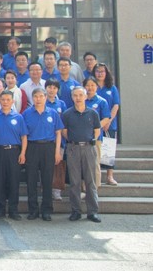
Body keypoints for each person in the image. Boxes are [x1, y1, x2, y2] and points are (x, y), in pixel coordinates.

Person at [22, 87, 64, 221]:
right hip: (32, 147)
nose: (38, 99)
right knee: (31, 179)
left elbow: (58, 133)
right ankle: (33, 210)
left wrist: (57, 151)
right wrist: (23, 152)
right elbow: (23, 135)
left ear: (46, 98)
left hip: (48, 147)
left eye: (41, 96)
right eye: (36, 96)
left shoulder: (52, 113)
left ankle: (46, 209)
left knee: (47, 179)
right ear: (32, 98)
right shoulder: (26, 113)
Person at [62, 86, 102, 223]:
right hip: (73, 148)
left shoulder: (93, 113)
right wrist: (74, 142)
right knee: (75, 182)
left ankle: (92, 212)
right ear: (72, 97)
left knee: (90, 181)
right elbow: (64, 132)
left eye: (80, 95)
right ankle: (76, 211)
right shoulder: (67, 114)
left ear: (85, 96)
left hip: (89, 148)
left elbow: (97, 130)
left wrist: (90, 140)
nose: (78, 98)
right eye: (75, 95)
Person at [0, 90, 28, 221]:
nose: (5, 102)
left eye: (8, 100)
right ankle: (0, 210)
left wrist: (23, 153)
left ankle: (13, 210)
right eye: (3, 99)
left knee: (14, 181)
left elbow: (24, 137)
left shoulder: (18, 117)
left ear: (13, 101)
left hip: (14, 152)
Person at [94, 63, 120, 185]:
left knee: (108, 150)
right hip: (94, 124)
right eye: (97, 71)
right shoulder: (91, 87)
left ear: (106, 73)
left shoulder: (112, 88)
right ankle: (96, 176)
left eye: (102, 71)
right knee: (96, 150)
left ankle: (109, 176)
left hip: (110, 124)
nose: (100, 74)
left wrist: (108, 121)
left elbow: (115, 105)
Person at [84, 77, 111, 188]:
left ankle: (95, 188)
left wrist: (95, 127)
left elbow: (106, 118)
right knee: (83, 165)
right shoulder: (80, 100)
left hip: (96, 138)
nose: (90, 88)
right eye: (87, 85)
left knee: (95, 163)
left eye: (92, 85)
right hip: (81, 138)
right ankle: (84, 188)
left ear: (97, 87)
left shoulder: (101, 101)